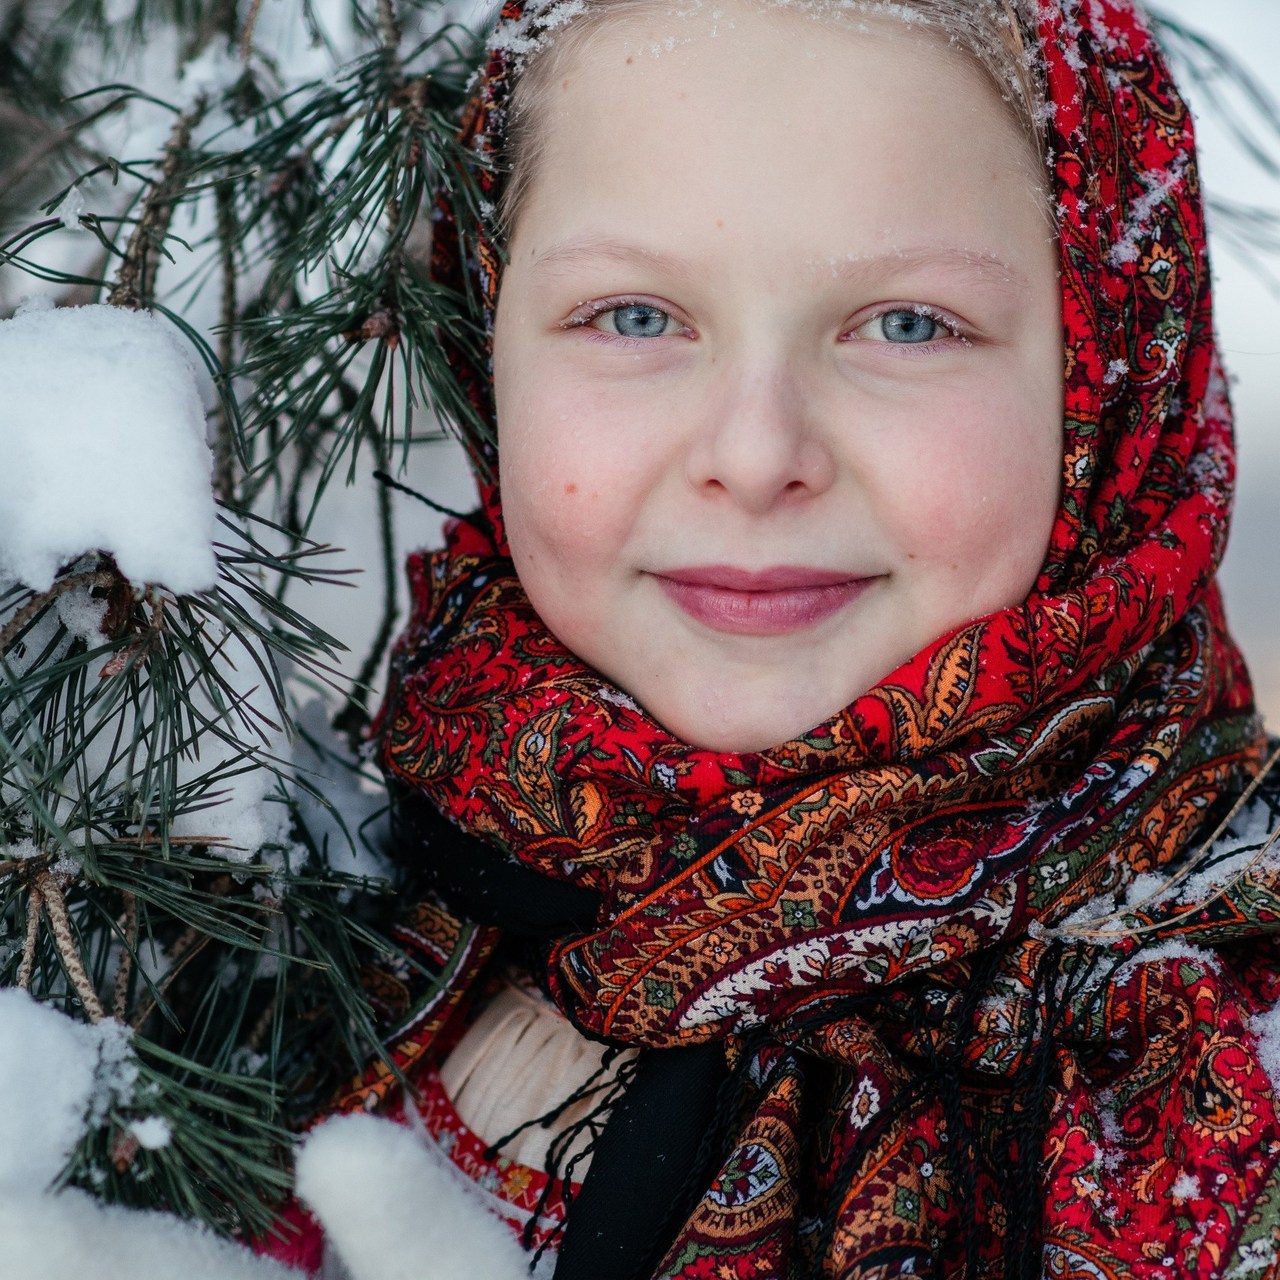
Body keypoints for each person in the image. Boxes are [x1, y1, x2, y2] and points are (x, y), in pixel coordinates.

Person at [265, 0, 1280, 1276]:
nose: (753, 458)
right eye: (635, 316)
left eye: (905, 323)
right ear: (486, 345)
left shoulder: (1213, 1051)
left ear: (1115, 378)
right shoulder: (250, 942)